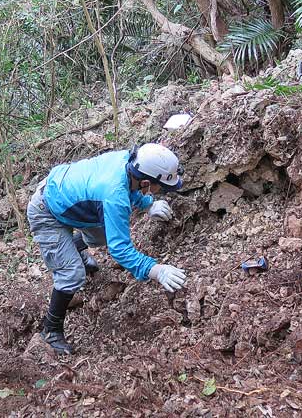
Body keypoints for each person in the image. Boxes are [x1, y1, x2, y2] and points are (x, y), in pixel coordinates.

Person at [27, 143, 187, 355]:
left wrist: (148, 203)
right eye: (161, 187)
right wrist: (156, 270)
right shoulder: (114, 196)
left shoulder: (128, 162)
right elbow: (120, 250)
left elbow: (131, 187)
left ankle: (72, 250)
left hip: (69, 194)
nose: (161, 191)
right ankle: (52, 329)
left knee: (101, 236)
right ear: (147, 182)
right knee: (72, 275)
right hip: (46, 209)